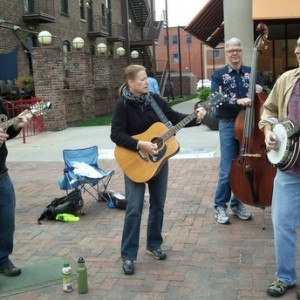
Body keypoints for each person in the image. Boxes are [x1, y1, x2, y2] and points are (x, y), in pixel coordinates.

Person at [110, 64, 206, 275]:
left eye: (147, 78)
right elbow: (116, 135)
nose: (147, 82)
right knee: (134, 207)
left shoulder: (154, 100)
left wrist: (196, 117)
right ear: (131, 83)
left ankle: (153, 244)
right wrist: (140, 145)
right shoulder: (123, 106)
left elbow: (174, 117)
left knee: (158, 204)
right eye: (143, 79)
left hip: (158, 162)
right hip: (134, 161)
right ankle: (128, 255)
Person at [259, 37, 300, 298]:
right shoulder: (287, 79)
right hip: (289, 168)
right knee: (282, 224)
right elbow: (269, 110)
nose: (296, 50)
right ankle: (285, 277)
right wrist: (268, 131)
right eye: (297, 46)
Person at [211, 37, 263, 224]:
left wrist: (260, 89)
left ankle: (237, 203)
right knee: (227, 167)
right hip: (228, 124)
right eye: (231, 50)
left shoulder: (252, 73)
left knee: (244, 165)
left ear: (242, 51)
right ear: (226, 53)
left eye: (237, 50)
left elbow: (263, 96)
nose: (234, 53)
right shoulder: (218, 75)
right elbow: (216, 98)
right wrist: (237, 101)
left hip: (248, 125)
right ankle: (219, 205)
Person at [0, 101, 32, 276]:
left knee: (6, 221)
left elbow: (5, 131)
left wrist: (16, 127)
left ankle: (3, 260)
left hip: (1, 173)